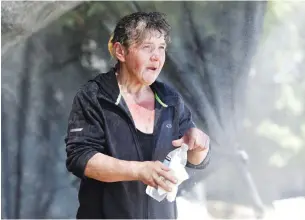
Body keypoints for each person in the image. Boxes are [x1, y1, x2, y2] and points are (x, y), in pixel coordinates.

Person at [65, 11, 210, 219]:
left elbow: (195, 160)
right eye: (147, 48)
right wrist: (138, 170)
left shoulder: (169, 99)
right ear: (120, 52)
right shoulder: (95, 96)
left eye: (161, 48)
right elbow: (81, 158)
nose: (157, 57)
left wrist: (200, 146)